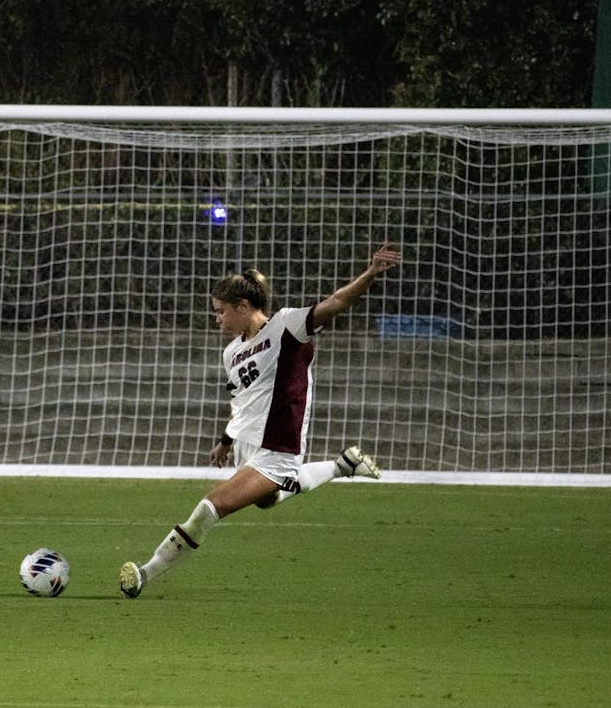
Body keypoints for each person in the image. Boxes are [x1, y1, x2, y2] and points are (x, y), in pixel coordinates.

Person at [119, 242, 404, 598]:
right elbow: (243, 401)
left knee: (211, 506)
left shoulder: (287, 327)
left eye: (221, 311)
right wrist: (225, 440)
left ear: (243, 306)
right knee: (267, 501)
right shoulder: (232, 352)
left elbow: (335, 303)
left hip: (278, 448)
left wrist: (370, 273)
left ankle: (144, 574)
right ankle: (341, 466)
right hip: (246, 444)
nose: (217, 318)